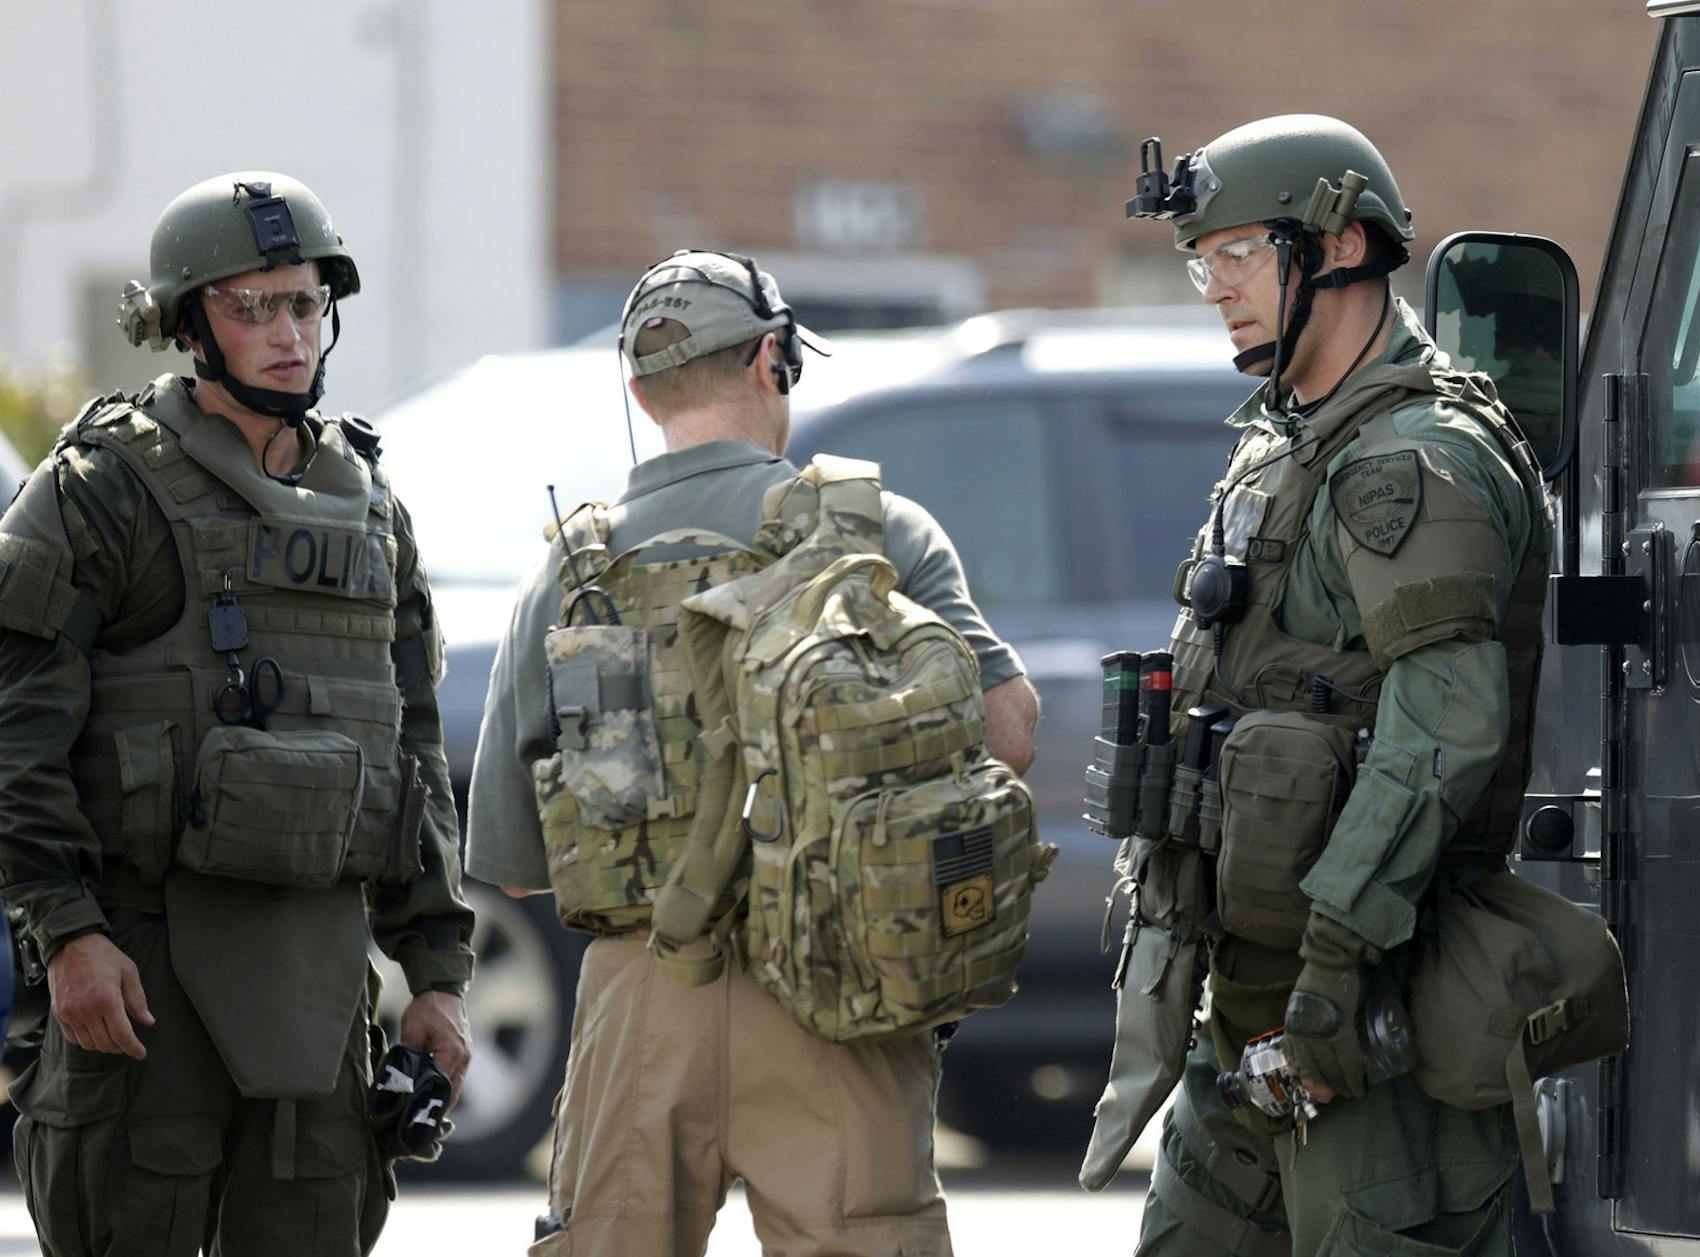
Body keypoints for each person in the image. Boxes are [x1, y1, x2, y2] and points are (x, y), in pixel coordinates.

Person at [464, 249, 1041, 1257]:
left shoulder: (570, 569)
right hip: (841, 989)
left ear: (641, 392)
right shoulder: (878, 533)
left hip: (640, 1002)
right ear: (774, 358)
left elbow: (512, 866)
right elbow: (1010, 734)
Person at [1095, 115, 1551, 1255]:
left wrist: (1336, 974)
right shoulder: (1288, 444)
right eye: (1203, 262)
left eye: (1240, 253)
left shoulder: (1413, 460)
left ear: (1340, 245)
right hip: (1247, 1016)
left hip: (1366, 1026)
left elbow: (1443, 730)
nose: (1214, 288)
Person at [0, 171, 476, 1255]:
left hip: (320, 976)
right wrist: (68, 934)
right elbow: (15, 734)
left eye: (304, 303)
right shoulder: (99, 493)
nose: (288, 333)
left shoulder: (371, 510)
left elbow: (410, 747)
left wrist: (438, 974)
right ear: (189, 325)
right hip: (144, 965)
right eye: (250, 306)